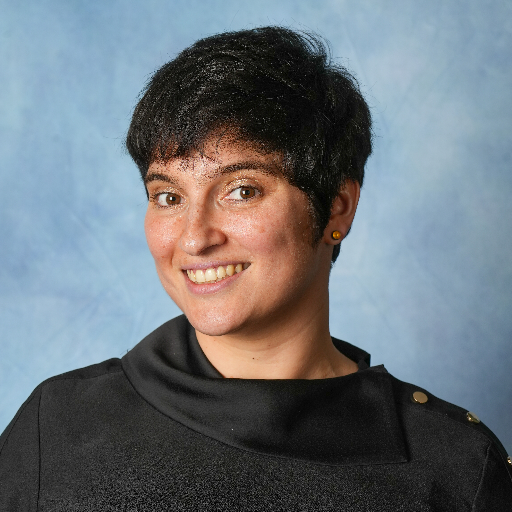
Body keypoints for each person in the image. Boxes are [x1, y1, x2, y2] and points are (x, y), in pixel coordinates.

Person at [1, 26, 511, 511]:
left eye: (242, 190)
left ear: (337, 207)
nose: (195, 238)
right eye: (169, 196)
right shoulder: (57, 426)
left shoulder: (457, 468)